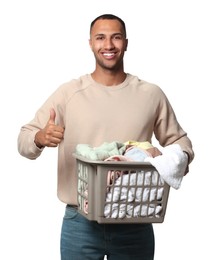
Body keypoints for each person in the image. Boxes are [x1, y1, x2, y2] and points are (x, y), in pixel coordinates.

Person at [17, 14, 194, 260]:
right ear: (90, 43)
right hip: (80, 223)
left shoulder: (151, 94)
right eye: (100, 38)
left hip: (135, 220)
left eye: (116, 37)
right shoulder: (70, 93)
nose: (108, 45)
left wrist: (178, 159)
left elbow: (180, 142)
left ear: (126, 43)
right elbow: (24, 139)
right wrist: (39, 137)